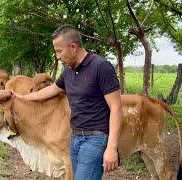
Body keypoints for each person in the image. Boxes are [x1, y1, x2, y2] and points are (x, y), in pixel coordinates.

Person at [15, 24, 122, 180]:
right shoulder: (69, 71)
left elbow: (116, 107)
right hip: (75, 138)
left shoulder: (101, 67)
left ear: (73, 47)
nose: (58, 56)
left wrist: (111, 147)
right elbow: (53, 89)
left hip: (95, 139)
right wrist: (23, 97)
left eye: (59, 51)